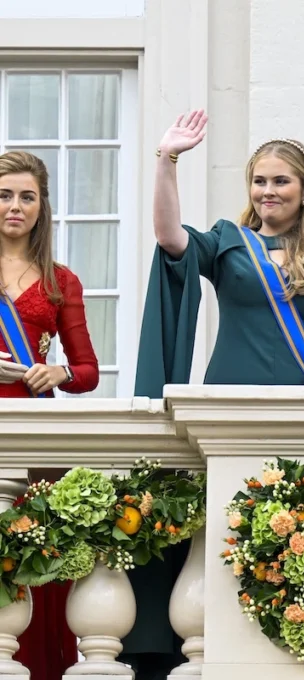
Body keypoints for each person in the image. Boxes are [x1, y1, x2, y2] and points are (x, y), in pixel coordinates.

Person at [128, 110, 304, 679]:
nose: (267, 192)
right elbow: (169, 239)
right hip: (229, 412)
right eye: (259, 181)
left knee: (298, 544)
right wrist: (168, 160)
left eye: (280, 181)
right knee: (226, 539)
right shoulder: (227, 244)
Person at [0, 150, 99, 679]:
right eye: (5, 194)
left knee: (36, 568)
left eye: (27, 197)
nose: (15, 206)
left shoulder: (61, 280)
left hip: (35, 440)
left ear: (42, 207)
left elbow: (88, 371)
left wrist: (56, 373)